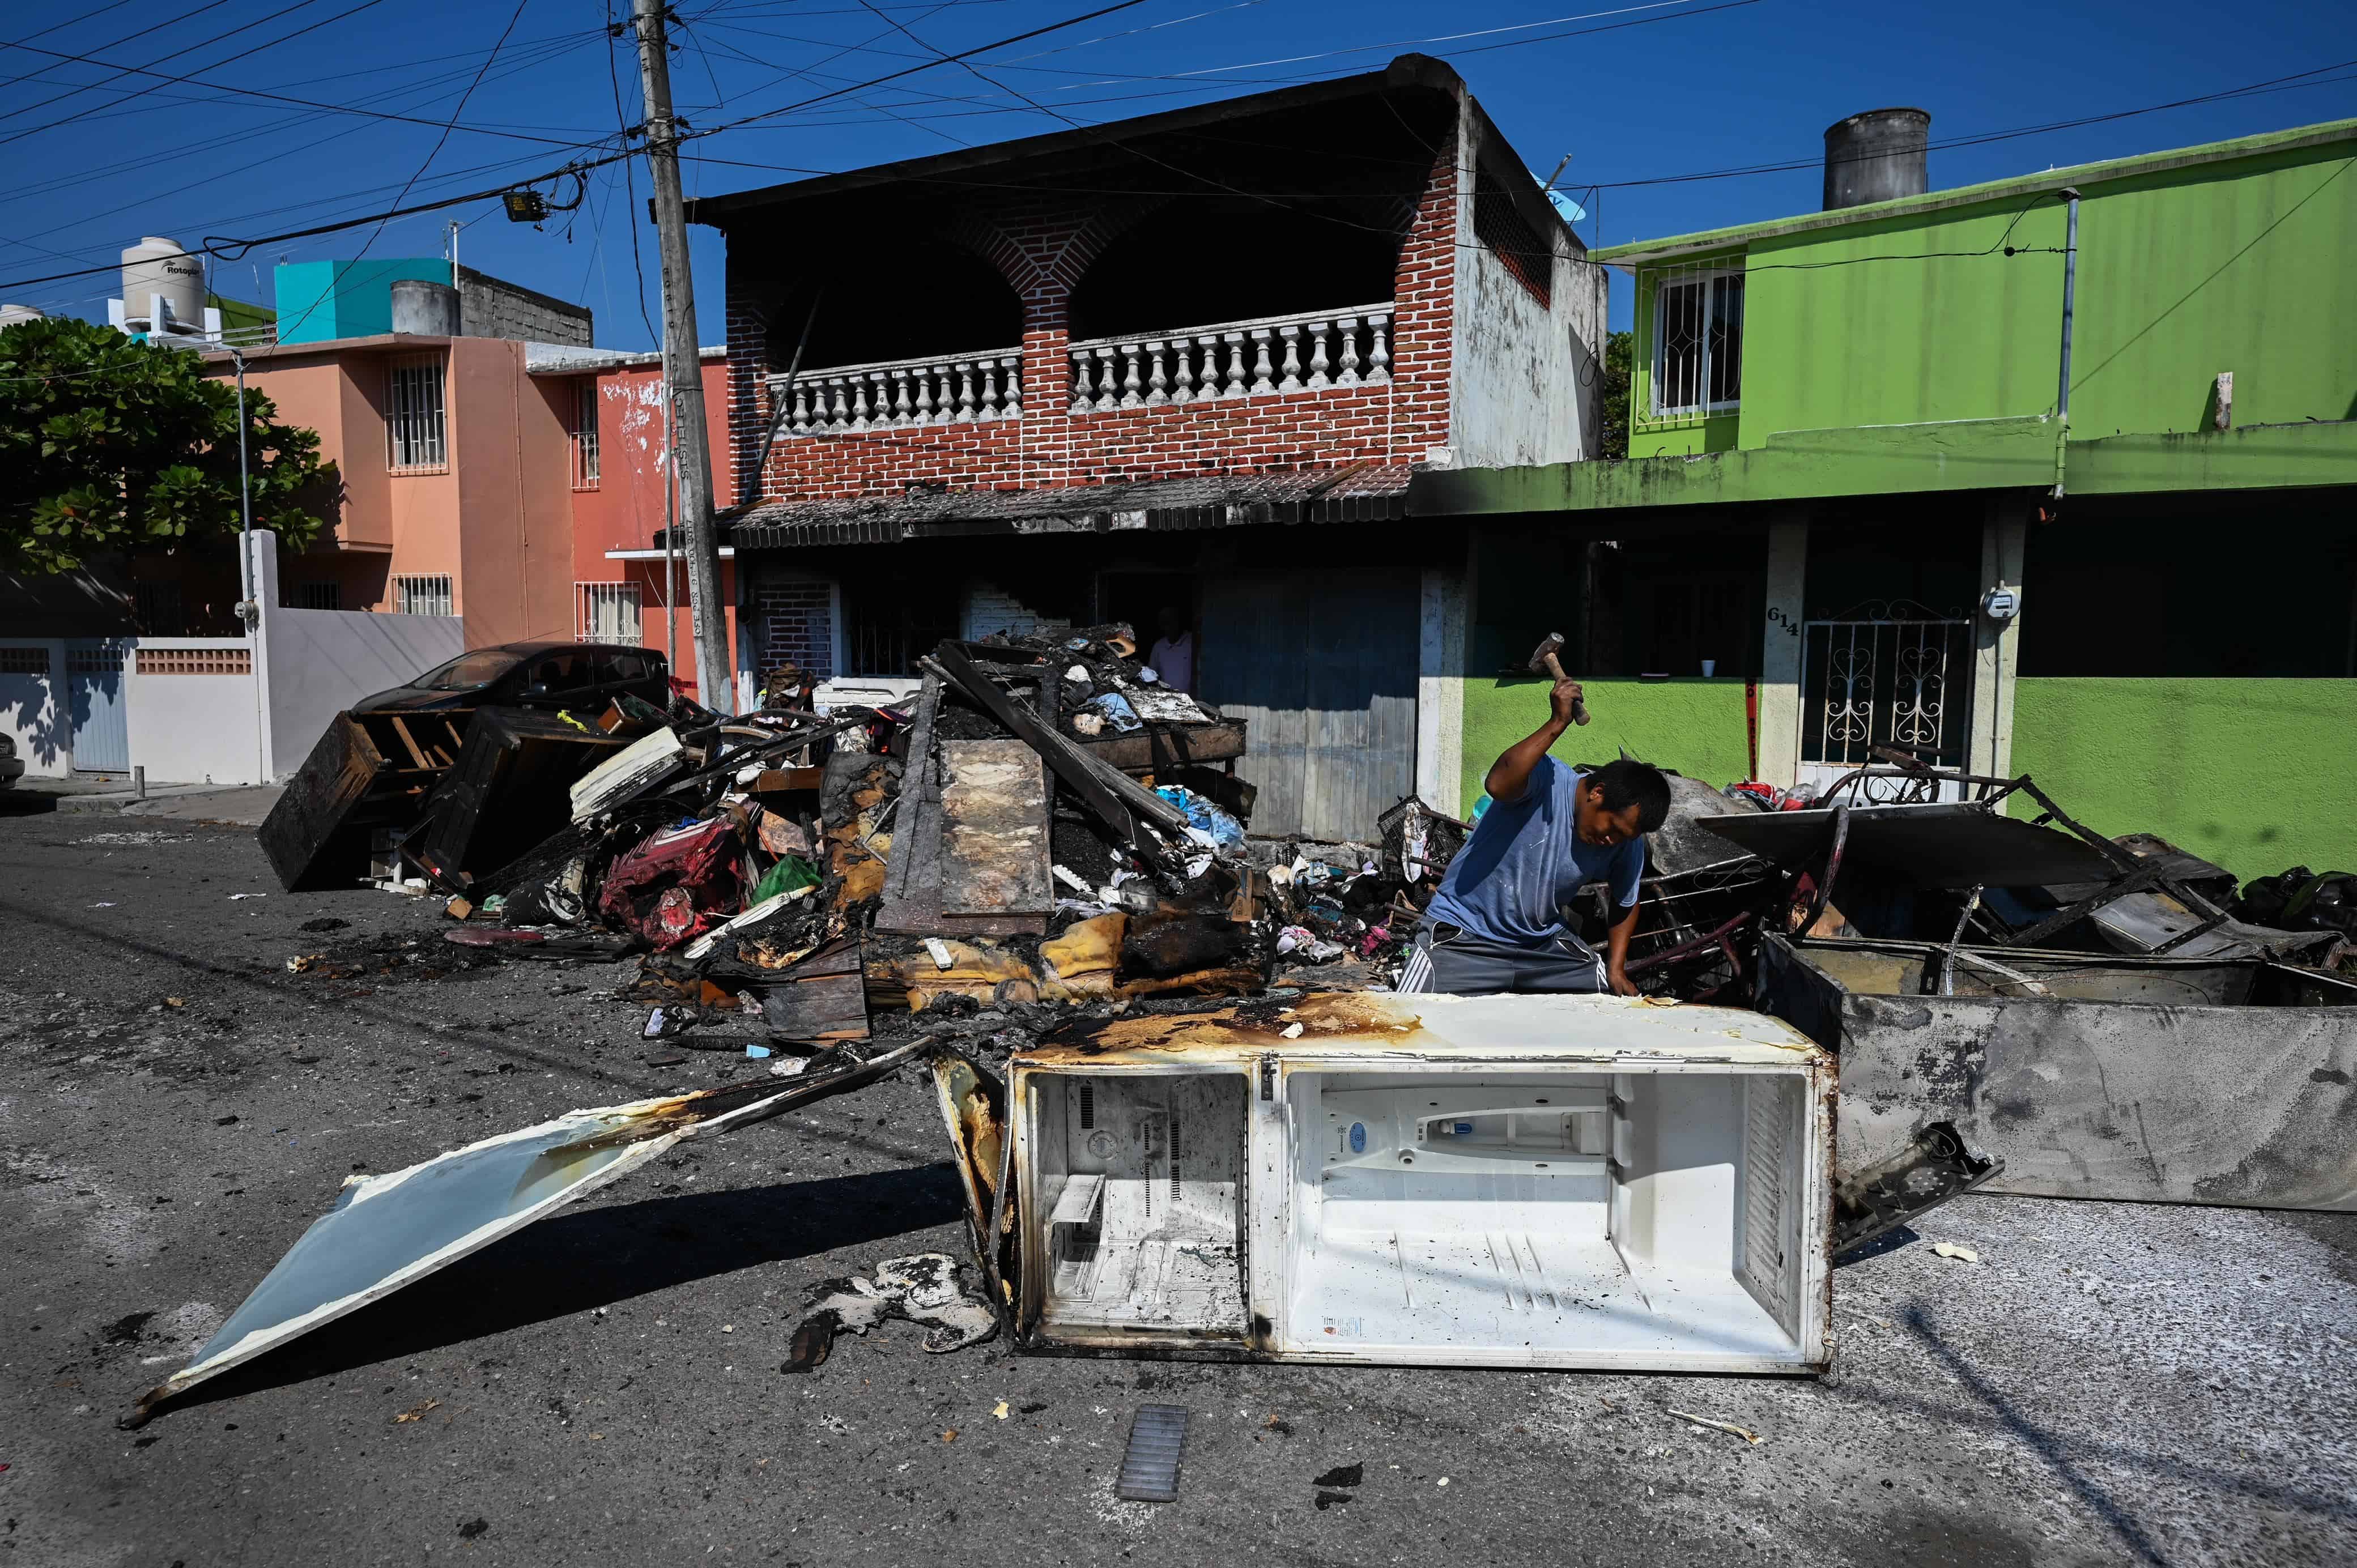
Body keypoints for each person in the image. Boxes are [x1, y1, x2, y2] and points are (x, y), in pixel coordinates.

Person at [1397, 679, 1671, 996]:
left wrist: (1616, 968)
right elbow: (1498, 784)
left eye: (1624, 837)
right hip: (1464, 939)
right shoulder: (1547, 780)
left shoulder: (1626, 841)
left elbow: (1626, 901)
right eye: (1612, 828)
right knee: (1409, 1021)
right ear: (1598, 793)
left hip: (1541, 951)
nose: (1613, 841)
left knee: (1603, 1005)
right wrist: (1557, 723)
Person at [1147, 604, 1194, 694]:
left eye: (1171, 621)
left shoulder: (1192, 642)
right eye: (1164, 623)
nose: (1168, 626)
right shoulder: (1159, 647)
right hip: (1168, 700)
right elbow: (1151, 675)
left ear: (1179, 622)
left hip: (1193, 700)